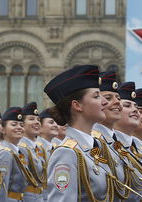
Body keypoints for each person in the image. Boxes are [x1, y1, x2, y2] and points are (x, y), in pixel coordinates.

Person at [44, 65, 116, 201]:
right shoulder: (67, 153)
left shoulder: (97, 148)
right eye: (96, 96)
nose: (105, 101)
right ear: (77, 105)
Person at [92, 71, 136, 201]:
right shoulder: (93, 142)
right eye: (108, 98)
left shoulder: (117, 142)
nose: (117, 102)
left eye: (118, 98)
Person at [0, 107, 29, 201]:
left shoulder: (19, 152)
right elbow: (0, 188)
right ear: (3, 130)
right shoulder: (5, 153)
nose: (19, 128)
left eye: (21, 125)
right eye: (14, 124)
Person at [18, 102, 45, 202]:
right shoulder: (21, 149)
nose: (37, 122)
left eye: (38, 119)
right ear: (22, 124)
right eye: (31, 119)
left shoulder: (36, 149)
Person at [36, 107, 59, 201]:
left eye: (56, 122)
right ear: (40, 128)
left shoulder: (56, 147)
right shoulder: (36, 148)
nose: (56, 125)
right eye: (51, 122)